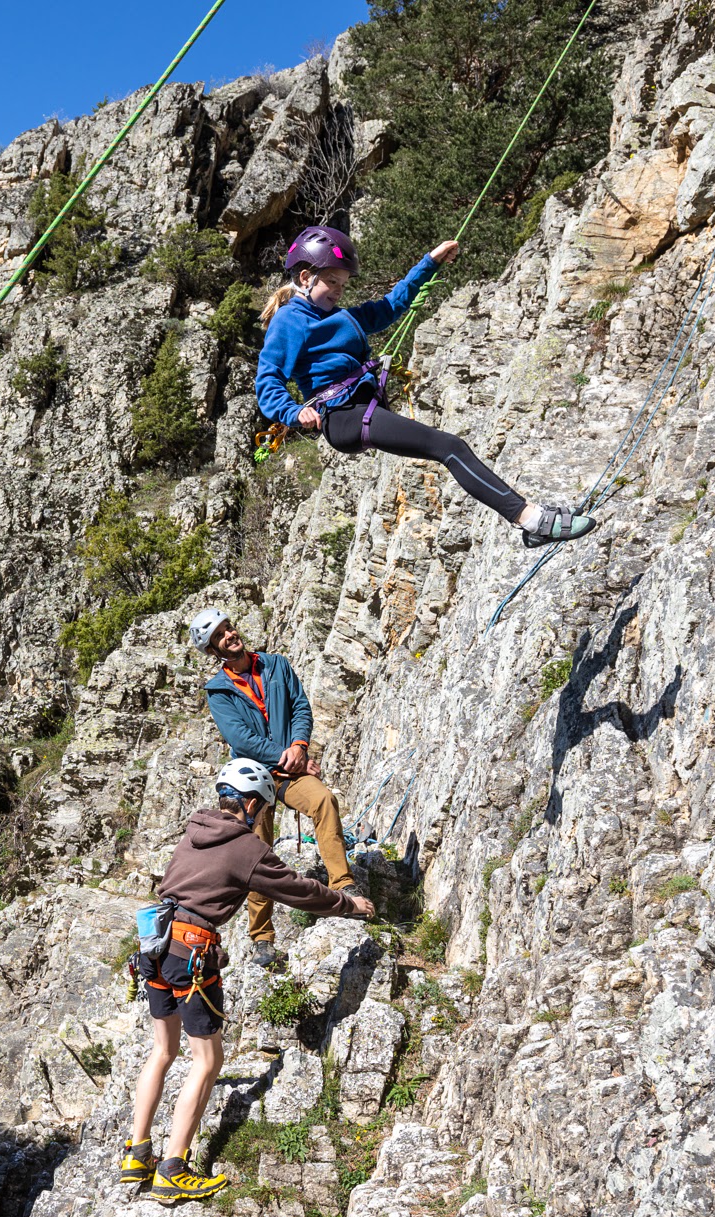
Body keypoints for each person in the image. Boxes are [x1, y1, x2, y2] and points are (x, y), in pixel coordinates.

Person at [124, 758, 375, 1203]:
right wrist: (347, 904)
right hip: (191, 955)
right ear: (254, 804)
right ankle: (172, 1169)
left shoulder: (192, 833)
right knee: (206, 1061)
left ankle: (136, 1153)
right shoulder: (245, 848)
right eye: (261, 809)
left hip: (154, 948)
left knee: (162, 1051)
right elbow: (299, 890)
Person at [256, 225, 596, 547]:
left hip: (358, 410)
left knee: (449, 447)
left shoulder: (338, 316)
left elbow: (391, 306)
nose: (339, 290)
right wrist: (294, 411)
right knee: (450, 447)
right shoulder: (291, 320)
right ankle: (532, 521)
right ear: (305, 277)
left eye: (343, 284)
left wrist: (429, 263)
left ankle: (532, 521)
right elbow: (268, 378)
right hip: (342, 416)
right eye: (332, 282)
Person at [187, 608, 350, 966]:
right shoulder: (218, 691)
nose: (229, 635)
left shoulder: (275, 665)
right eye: (220, 635)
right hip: (252, 779)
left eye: (229, 628)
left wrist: (300, 746)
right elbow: (240, 739)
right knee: (255, 852)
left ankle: (343, 886)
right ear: (214, 651)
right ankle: (262, 937)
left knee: (323, 801)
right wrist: (288, 755)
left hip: (290, 765)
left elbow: (300, 707)